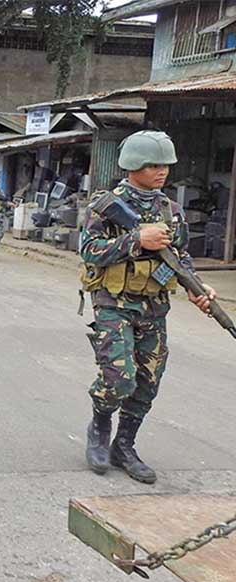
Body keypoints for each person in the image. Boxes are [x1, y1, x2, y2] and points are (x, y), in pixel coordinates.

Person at [80, 130, 216, 485]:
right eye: (154, 165)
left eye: (166, 165)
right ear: (133, 166)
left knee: (147, 382)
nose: (162, 172)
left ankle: (124, 446)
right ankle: (99, 427)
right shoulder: (107, 204)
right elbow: (89, 250)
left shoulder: (170, 210)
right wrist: (135, 239)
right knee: (119, 378)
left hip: (154, 306)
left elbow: (180, 256)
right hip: (114, 304)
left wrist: (197, 288)